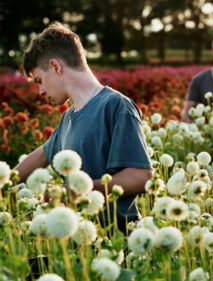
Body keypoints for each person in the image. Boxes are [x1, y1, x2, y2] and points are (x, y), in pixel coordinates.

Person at [14, 22, 152, 233]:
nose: (40, 91)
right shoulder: (68, 118)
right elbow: (42, 156)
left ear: (55, 66)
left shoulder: (115, 106)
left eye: (39, 80)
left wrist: (78, 190)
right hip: (80, 242)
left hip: (118, 241)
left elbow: (141, 176)